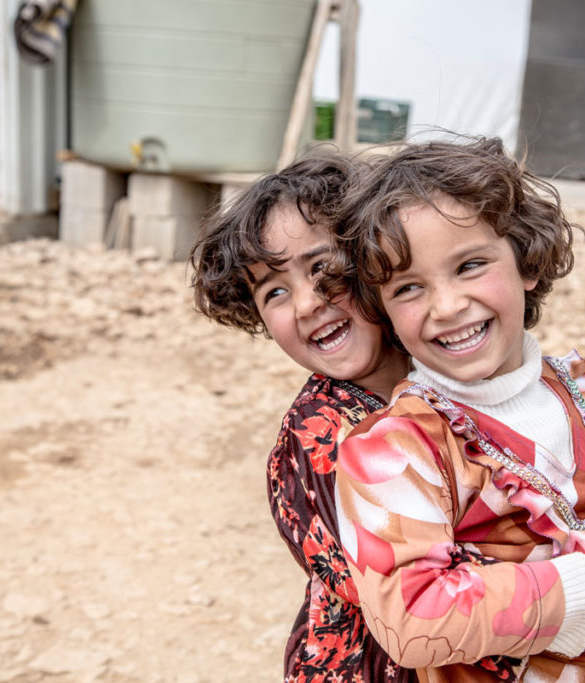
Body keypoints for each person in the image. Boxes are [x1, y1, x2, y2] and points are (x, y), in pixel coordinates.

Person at [325, 137, 585, 682]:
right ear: (381, 310)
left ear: (526, 260)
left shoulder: (581, 387)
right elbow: (410, 614)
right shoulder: (394, 449)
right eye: (409, 288)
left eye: (471, 265)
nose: (448, 306)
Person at [189, 153, 416, 682]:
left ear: (375, 258)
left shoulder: (444, 371)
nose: (309, 302)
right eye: (274, 292)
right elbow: (404, 596)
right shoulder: (319, 437)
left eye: (322, 268)